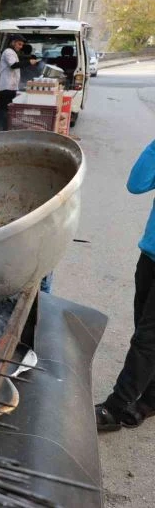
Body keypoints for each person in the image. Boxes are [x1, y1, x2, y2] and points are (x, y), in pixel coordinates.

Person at [95, 139, 155, 431]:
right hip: (151, 254)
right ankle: (150, 399)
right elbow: (137, 183)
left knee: (147, 338)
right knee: (144, 329)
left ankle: (116, 408)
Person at [0, 34, 39, 131]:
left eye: (22, 45)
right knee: (4, 111)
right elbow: (14, 65)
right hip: (6, 87)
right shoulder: (8, 52)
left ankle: (2, 129)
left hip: (10, 87)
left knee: (6, 111)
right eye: (19, 44)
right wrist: (29, 62)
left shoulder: (13, 52)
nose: (20, 46)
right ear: (13, 42)